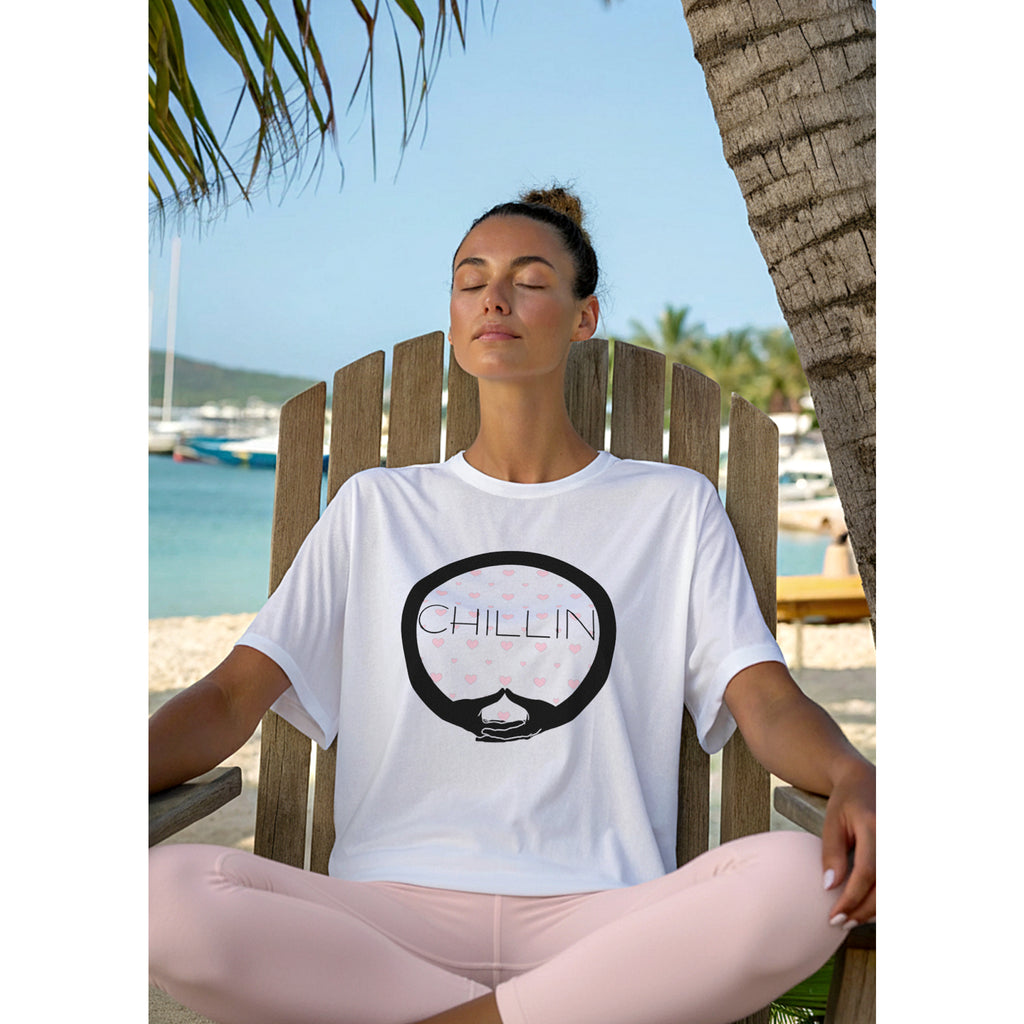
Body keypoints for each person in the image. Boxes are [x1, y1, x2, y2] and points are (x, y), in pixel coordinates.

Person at [149, 187, 875, 1024]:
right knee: (164, 894)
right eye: (472, 280)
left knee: (799, 877)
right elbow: (230, 697)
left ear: (582, 317)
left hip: (606, 921)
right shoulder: (376, 507)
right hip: (386, 916)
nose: (495, 297)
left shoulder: (671, 509)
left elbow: (766, 700)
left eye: (530, 280)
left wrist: (853, 772)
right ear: (455, 318)